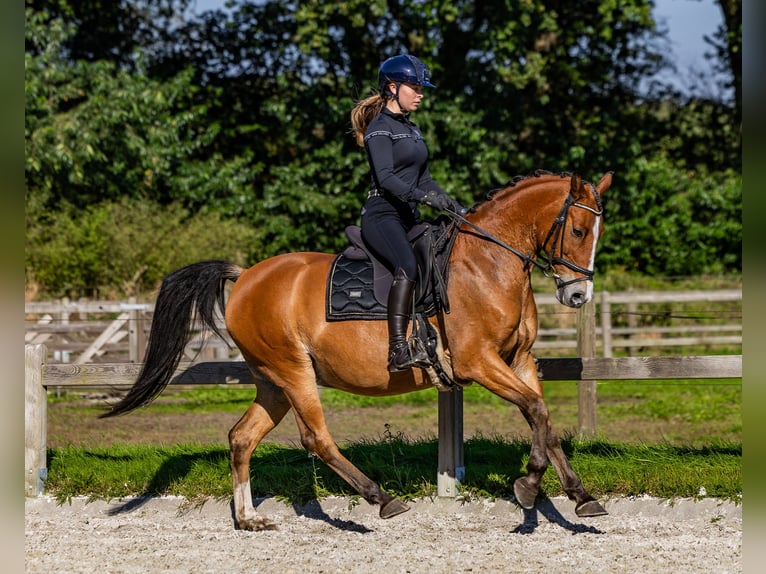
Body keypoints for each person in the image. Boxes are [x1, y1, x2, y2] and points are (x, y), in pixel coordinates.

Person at [350, 54, 466, 373]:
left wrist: (451, 203)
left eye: (421, 88)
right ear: (393, 87)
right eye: (414, 87)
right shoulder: (379, 130)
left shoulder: (412, 130)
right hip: (382, 214)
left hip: (408, 215)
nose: (420, 93)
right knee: (407, 265)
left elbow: (424, 178)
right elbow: (386, 178)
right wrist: (422, 197)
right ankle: (398, 349)